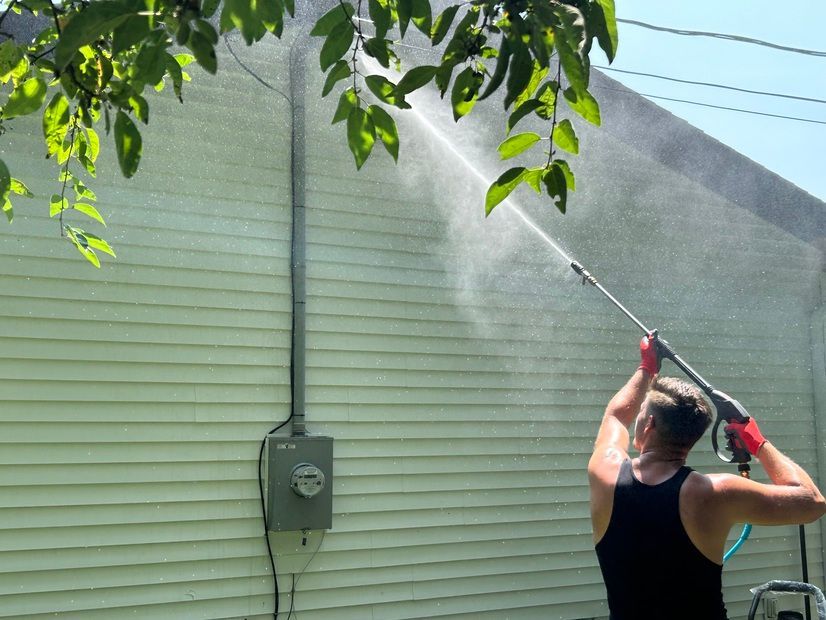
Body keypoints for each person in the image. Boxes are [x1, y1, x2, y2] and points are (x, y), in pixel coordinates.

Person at [589, 334, 826, 620]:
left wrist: (647, 367)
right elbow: (812, 502)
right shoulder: (713, 492)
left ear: (649, 423)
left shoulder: (606, 471)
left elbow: (615, 417)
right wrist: (757, 442)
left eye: (642, 412)